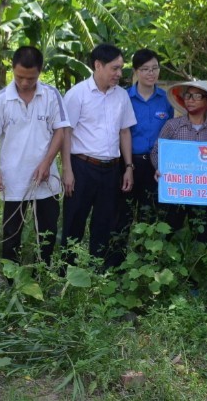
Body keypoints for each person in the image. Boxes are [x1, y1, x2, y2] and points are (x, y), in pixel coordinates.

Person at [0, 46, 70, 265]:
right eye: (19, 76)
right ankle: (12, 279)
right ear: (13, 69)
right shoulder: (2, 99)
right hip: (13, 180)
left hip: (46, 179)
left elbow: (61, 130)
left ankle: (44, 273)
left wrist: (47, 162)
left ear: (40, 72)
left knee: (47, 233)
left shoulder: (51, 95)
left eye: (30, 78)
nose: (24, 83)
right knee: (11, 234)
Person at [61, 43, 136, 271]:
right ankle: (66, 272)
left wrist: (129, 167)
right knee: (74, 221)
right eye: (115, 68)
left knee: (104, 223)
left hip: (111, 169)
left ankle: (97, 274)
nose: (119, 74)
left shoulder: (122, 96)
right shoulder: (77, 95)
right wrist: (67, 170)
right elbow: (66, 132)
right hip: (82, 167)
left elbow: (125, 131)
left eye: (121, 68)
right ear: (98, 65)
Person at [110, 49, 174, 264]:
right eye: (145, 69)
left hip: (155, 165)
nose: (151, 73)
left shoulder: (165, 100)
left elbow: (171, 131)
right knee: (123, 215)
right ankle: (116, 262)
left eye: (155, 68)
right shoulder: (123, 97)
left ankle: (144, 263)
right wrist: (127, 165)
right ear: (136, 72)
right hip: (128, 164)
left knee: (150, 214)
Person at [150, 80, 207, 244]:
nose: (190, 99)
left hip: (205, 193)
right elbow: (157, 151)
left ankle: (203, 265)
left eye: (197, 96)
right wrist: (159, 168)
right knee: (169, 233)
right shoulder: (173, 126)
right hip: (176, 191)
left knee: (205, 236)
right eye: (188, 95)